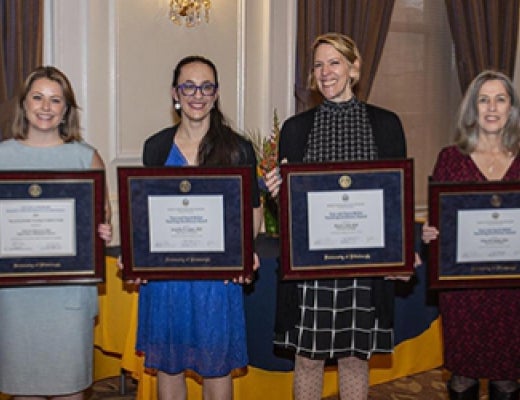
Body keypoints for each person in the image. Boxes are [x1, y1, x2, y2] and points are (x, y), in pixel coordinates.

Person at [264, 33, 407, 400]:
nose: (325, 72)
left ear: (354, 67)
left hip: (364, 265)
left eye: (335, 62)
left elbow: (395, 198)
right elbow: (292, 211)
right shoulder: (296, 130)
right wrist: (280, 193)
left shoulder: (386, 125)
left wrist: (401, 254)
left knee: (355, 359)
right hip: (313, 267)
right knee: (307, 359)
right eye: (318, 64)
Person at [135, 55, 262, 400]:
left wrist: (242, 254)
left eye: (206, 86)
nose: (197, 94)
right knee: (169, 366)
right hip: (167, 279)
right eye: (188, 86)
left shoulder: (237, 149)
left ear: (216, 93)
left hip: (217, 280)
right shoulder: (156, 147)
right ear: (175, 92)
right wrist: (139, 258)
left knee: (216, 367)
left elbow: (253, 211)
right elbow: (147, 212)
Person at [0, 66, 112, 399]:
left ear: (66, 110)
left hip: (69, 293)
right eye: (38, 97)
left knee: (70, 389)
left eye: (55, 100)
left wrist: (102, 232)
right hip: (16, 296)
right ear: (24, 104)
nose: (46, 107)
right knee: (24, 390)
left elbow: (101, 219)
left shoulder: (85, 158)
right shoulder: (2, 157)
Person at [422, 70, 520, 400]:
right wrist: (430, 232)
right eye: (483, 99)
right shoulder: (451, 159)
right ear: (472, 109)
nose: (492, 108)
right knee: (462, 376)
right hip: (462, 287)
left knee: (508, 378)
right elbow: (439, 221)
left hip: (513, 288)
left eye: (500, 99)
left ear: (511, 108)